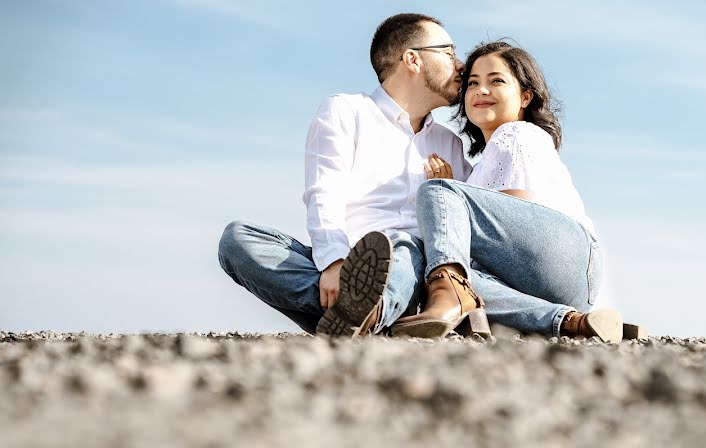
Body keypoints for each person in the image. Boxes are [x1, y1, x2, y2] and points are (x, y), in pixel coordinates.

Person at [218, 13, 470, 336]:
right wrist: (334, 263)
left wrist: (448, 190)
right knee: (236, 240)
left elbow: (468, 224)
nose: (460, 64)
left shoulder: (450, 144)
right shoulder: (346, 112)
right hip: (344, 263)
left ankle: (365, 312)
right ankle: (362, 313)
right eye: (448, 53)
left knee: (404, 243)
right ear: (412, 59)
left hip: (414, 272)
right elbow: (325, 191)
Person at [392, 41, 625, 341]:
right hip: (565, 288)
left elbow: (514, 221)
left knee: (436, 197)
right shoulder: (483, 163)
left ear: (525, 96)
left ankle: (452, 296)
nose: (481, 90)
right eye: (473, 83)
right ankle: (570, 321)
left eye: (496, 81)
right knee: (442, 271)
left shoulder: (514, 134)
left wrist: (447, 194)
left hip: (566, 253)